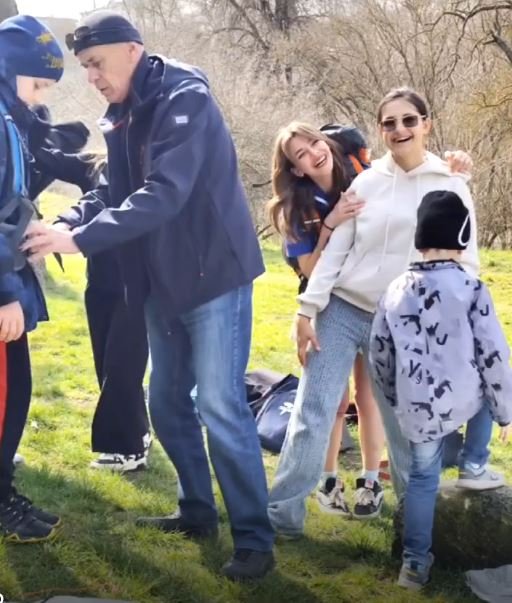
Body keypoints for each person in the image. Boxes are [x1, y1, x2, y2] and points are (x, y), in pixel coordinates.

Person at [22, 10, 275, 580]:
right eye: (85, 68)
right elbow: (113, 189)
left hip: (214, 276)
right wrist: (67, 221)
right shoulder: (123, 113)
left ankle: (255, 540)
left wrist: (80, 240)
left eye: (96, 64)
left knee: (219, 405)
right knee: (165, 402)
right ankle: (197, 512)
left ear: (131, 50)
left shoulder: (187, 101)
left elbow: (164, 193)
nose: (91, 77)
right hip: (160, 283)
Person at [267, 87, 476, 538]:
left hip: (400, 322)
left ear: (426, 124)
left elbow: (467, 260)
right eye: (389, 123)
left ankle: (414, 522)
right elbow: (336, 253)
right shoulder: (366, 182)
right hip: (342, 310)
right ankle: (281, 517)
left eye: (409, 120)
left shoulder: (449, 182)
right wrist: (307, 310)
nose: (400, 129)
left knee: (403, 424)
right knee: (312, 411)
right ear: (380, 131)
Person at [370, 189, 512, 590]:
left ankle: (414, 565)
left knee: (422, 480)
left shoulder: (394, 289)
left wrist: (394, 396)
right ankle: (474, 463)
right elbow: (493, 355)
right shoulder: (471, 288)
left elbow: (379, 352)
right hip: (464, 395)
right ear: (462, 240)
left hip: (417, 404)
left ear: (421, 240)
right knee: (485, 392)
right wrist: (505, 411)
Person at [268, 122, 386, 519]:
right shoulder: (295, 207)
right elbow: (310, 269)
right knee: (331, 401)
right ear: (296, 169)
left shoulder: (366, 180)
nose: (313, 154)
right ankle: (327, 481)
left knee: (370, 397)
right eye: (300, 154)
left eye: (314, 143)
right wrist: (330, 224)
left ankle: (371, 481)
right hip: (327, 303)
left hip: (374, 300)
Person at [28, 125, 152, 472]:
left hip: (139, 283)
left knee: (122, 364)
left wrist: (66, 224)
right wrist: (33, 126)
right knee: (107, 363)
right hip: (100, 281)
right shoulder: (95, 165)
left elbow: (103, 202)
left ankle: (126, 448)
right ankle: (138, 433)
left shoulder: (152, 174)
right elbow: (49, 160)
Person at [0, 14, 64, 542]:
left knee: (15, 390)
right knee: (6, 395)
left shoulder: (11, 118)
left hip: (10, 272)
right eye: (38, 83)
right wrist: (4, 294)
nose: (41, 96)